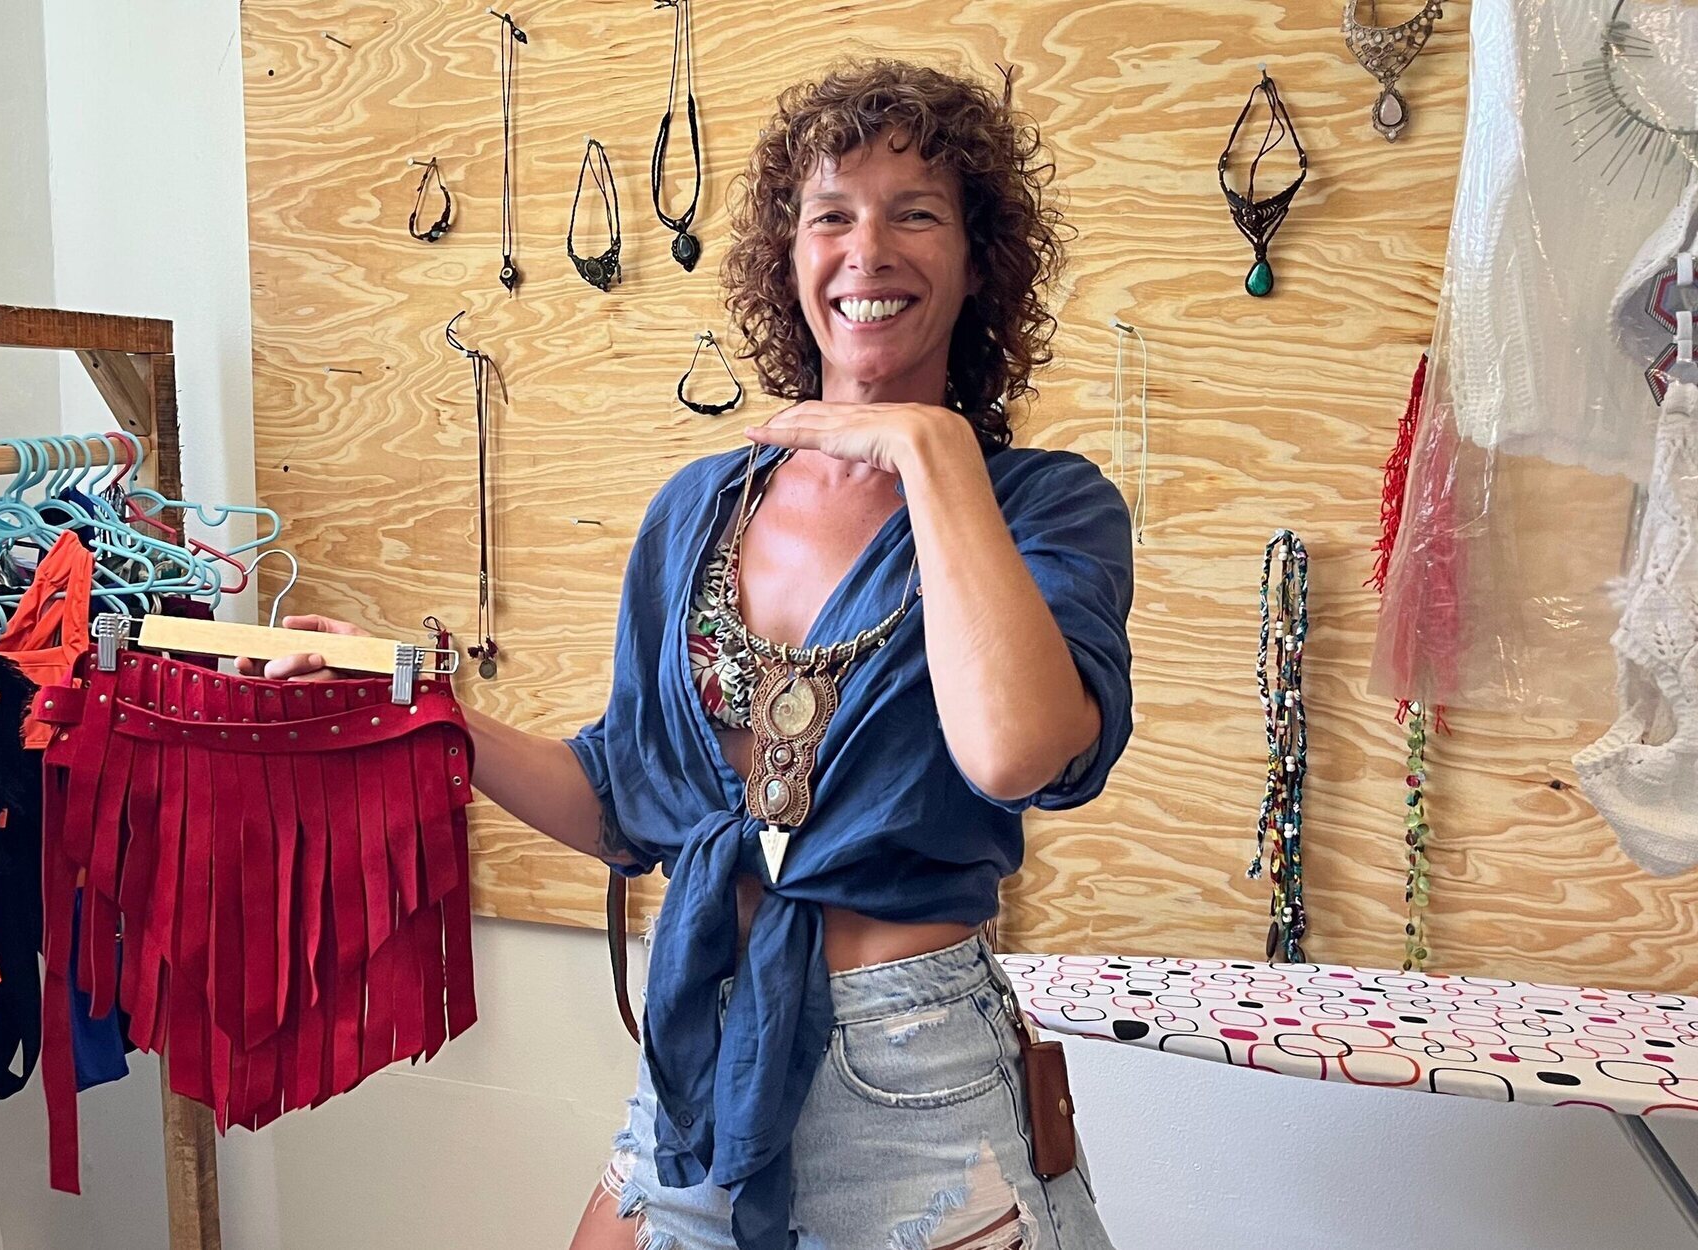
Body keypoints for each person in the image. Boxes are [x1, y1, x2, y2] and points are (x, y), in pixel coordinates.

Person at [249, 59, 1132, 1250]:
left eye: (915, 213)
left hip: (916, 1074)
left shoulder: (1044, 506)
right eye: (830, 214)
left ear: (979, 262)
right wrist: (421, 704)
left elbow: (1017, 750)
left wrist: (930, 451)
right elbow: (625, 802)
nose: (866, 249)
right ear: (788, 255)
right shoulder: (699, 507)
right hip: (706, 1037)